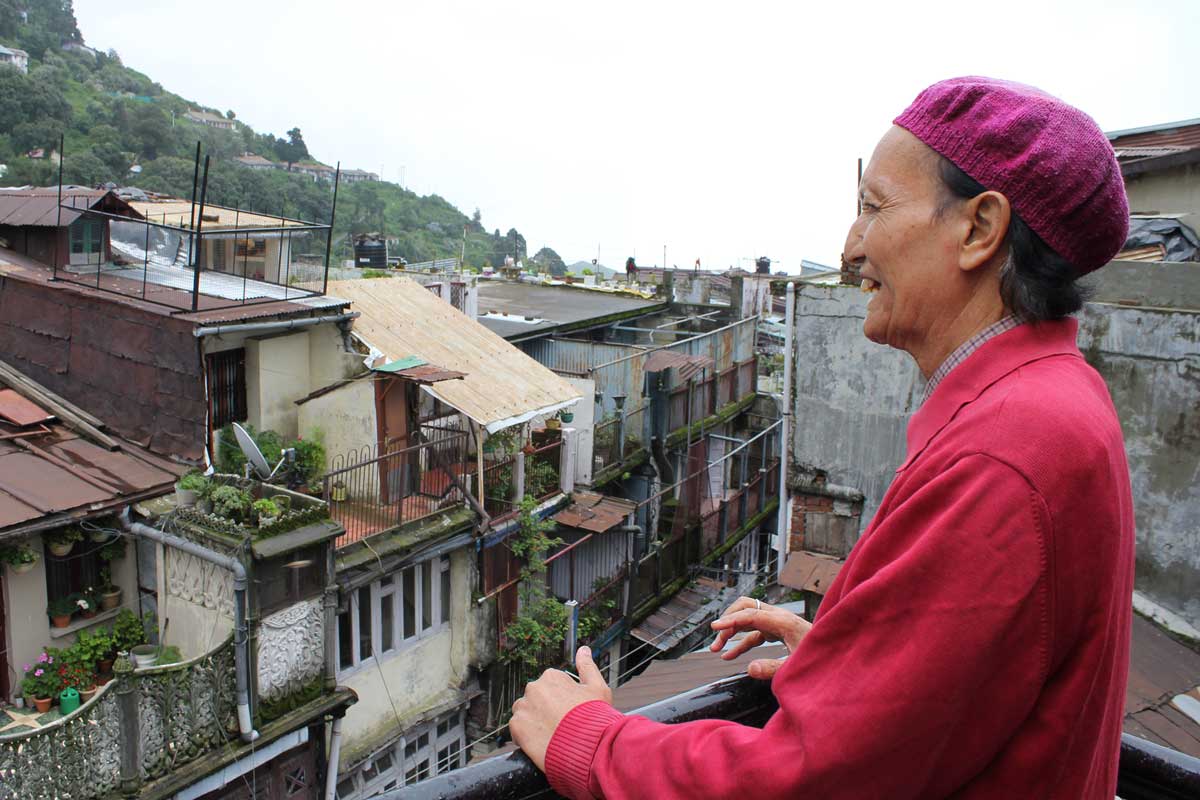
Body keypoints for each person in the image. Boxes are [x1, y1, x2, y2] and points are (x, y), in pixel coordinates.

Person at [510, 76, 1134, 799]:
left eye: (873, 208)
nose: (850, 247)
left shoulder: (1007, 450)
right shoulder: (1058, 399)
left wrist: (588, 740)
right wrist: (861, 666)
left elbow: (807, 781)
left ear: (979, 228)